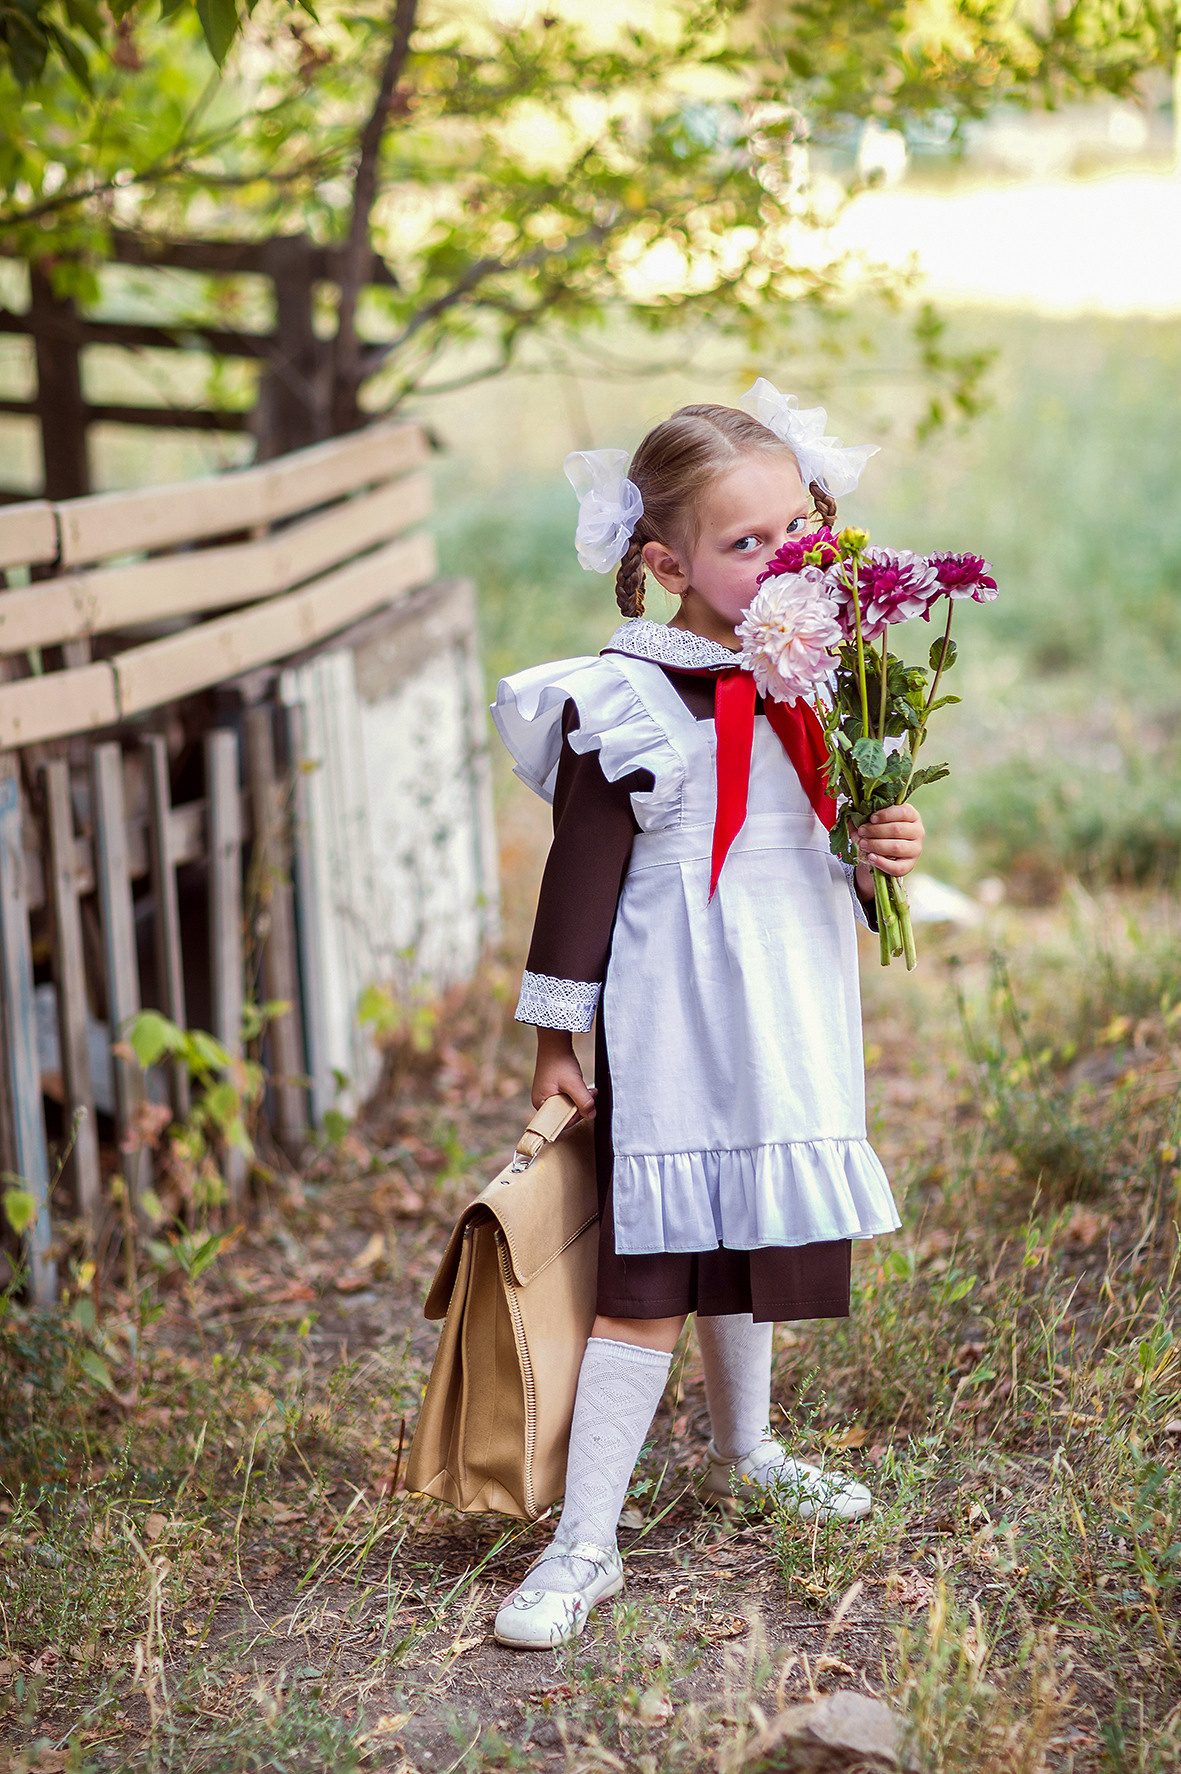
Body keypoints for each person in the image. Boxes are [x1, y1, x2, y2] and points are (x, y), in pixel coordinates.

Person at [488, 381, 924, 1651]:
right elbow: (577, 889)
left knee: (748, 1239)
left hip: (783, 1026)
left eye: (797, 532)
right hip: (676, 1035)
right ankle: (585, 1541)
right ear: (665, 562)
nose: (783, 561)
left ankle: (746, 1449)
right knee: (647, 1281)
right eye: (745, 544)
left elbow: (823, 857)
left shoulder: (824, 690)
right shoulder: (619, 705)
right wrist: (555, 1043)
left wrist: (878, 848)